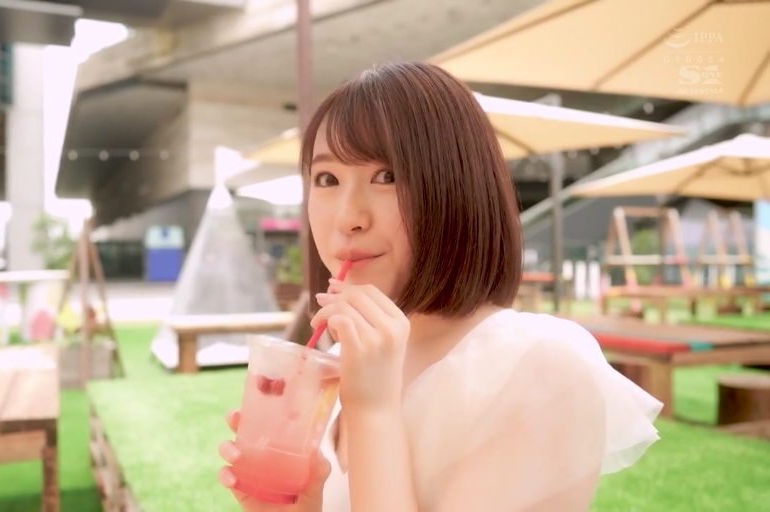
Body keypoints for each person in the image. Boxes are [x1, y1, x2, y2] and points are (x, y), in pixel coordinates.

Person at [217, 61, 662, 511]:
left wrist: (373, 413)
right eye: (327, 179)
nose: (348, 218)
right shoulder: (345, 362)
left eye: (387, 176)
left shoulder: (539, 367)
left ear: (457, 186)